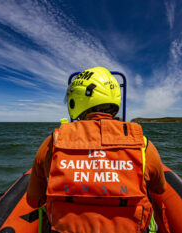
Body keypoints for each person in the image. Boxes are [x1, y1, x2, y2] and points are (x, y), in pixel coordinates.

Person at [27, 67, 167, 233]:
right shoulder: (143, 145)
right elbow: (159, 189)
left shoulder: (52, 144)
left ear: (76, 101)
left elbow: (33, 201)